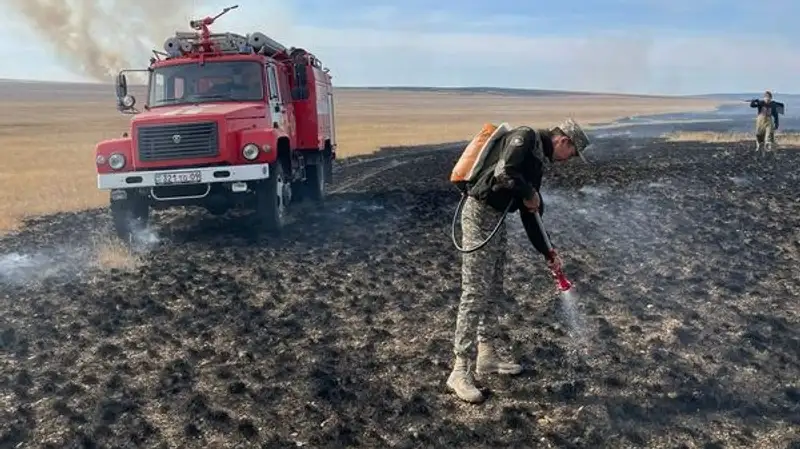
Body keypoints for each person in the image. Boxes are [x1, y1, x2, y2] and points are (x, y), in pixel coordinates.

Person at [447, 118, 591, 404]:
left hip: (495, 222)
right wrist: (528, 193)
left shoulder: (537, 161)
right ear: (563, 140)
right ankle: (459, 369)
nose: (568, 160)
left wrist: (548, 253)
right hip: (478, 216)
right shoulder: (525, 137)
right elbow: (505, 173)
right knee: (475, 291)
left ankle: (485, 356)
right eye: (572, 153)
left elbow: (530, 213)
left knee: (493, 289)